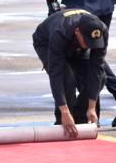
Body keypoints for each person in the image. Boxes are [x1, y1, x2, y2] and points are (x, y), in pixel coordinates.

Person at [32, 8, 109, 137]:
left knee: (100, 78)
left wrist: (91, 107)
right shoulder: (60, 31)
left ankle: (81, 118)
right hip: (46, 42)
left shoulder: (101, 31)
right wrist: (65, 111)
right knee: (66, 79)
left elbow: (96, 69)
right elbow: (56, 75)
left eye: (93, 43)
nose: (90, 45)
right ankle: (63, 121)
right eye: (87, 41)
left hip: (75, 43)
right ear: (78, 31)